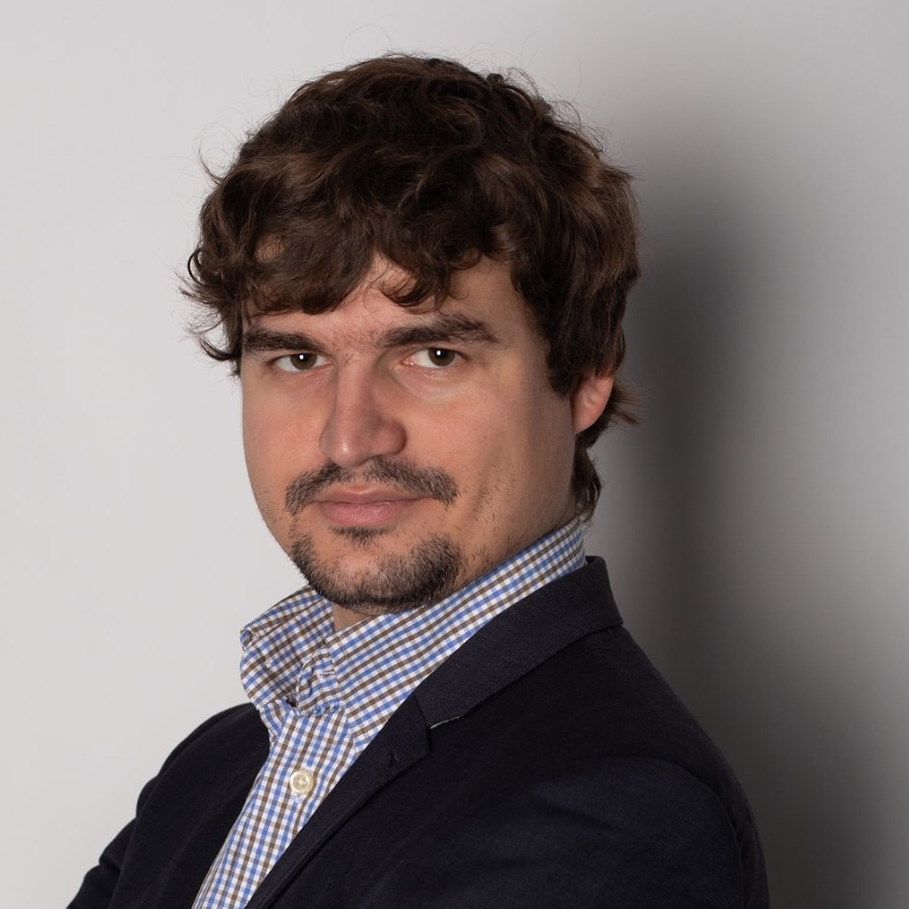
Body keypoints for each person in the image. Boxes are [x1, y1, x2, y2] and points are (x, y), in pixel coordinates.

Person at [68, 54, 768, 908]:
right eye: (297, 358)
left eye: (433, 354)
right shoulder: (214, 769)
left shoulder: (616, 807)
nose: (348, 434)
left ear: (584, 372)